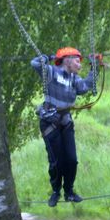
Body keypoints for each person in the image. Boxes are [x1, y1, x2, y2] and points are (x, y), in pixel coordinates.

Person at [31, 47, 100, 207]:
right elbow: (34, 63)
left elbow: (84, 87)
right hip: (50, 122)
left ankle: (69, 191)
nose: (79, 64)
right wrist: (47, 57)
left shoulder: (74, 78)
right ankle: (56, 191)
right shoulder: (51, 72)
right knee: (56, 161)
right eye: (77, 60)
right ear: (67, 60)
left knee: (71, 160)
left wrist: (94, 66)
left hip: (65, 121)